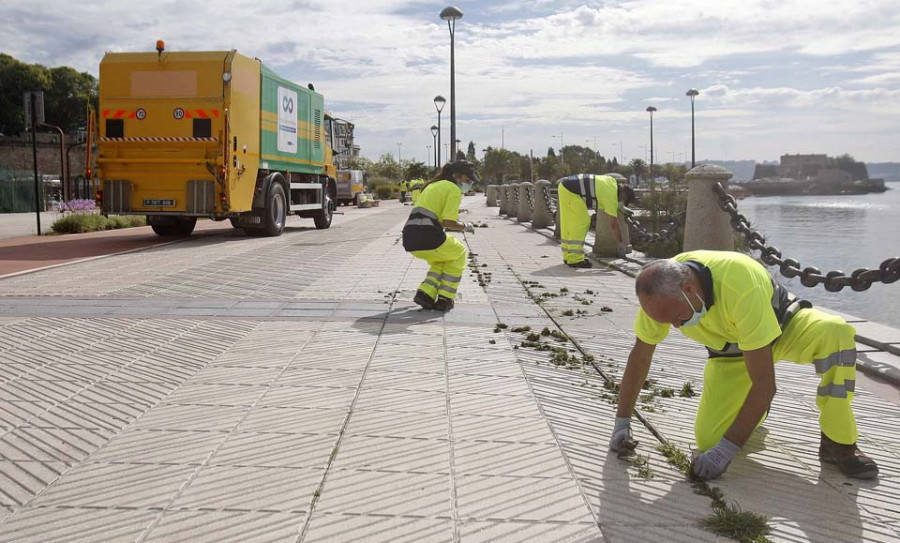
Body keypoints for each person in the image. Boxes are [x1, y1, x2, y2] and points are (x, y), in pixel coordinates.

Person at [609, 250, 878, 481]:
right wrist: (622, 422)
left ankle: (838, 441)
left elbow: (765, 385)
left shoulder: (740, 282)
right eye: (667, 322)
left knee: (835, 333)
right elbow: (640, 356)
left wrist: (728, 451)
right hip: (731, 354)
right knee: (709, 441)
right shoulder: (660, 296)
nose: (676, 326)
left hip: (783, 330)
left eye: (678, 318)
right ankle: (753, 411)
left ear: (689, 289)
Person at [402, 161, 479, 312]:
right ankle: (445, 298)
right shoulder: (453, 189)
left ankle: (425, 293)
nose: (469, 183)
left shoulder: (432, 185)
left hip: (410, 238)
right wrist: (465, 226)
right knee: (460, 253)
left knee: (443, 258)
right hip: (428, 237)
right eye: (467, 179)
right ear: (456, 176)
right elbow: (448, 222)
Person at [557, 174, 635, 268]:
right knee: (582, 222)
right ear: (624, 195)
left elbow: (599, 193)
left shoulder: (612, 182)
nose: (621, 202)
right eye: (623, 200)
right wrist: (621, 243)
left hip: (565, 186)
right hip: (572, 191)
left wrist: (619, 206)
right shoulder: (611, 197)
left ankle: (567, 256)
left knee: (568, 223)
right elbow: (614, 224)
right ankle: (575, 259)